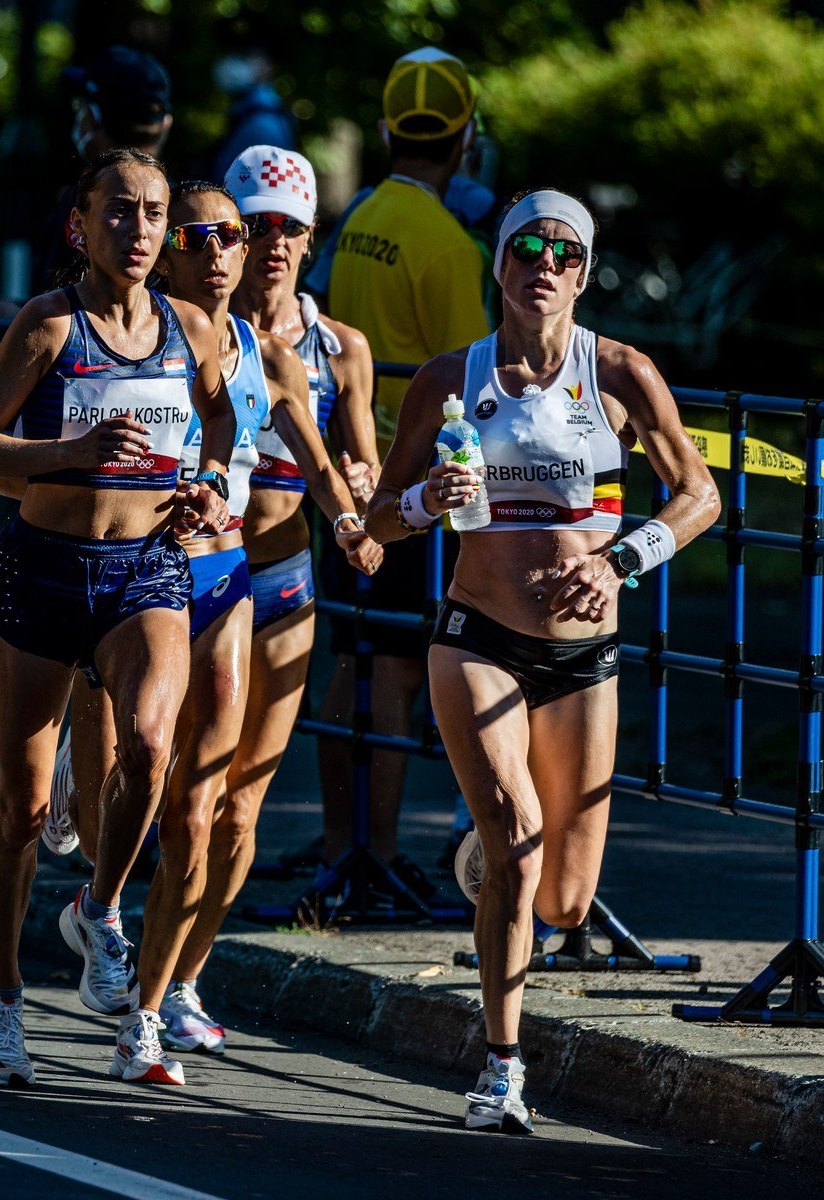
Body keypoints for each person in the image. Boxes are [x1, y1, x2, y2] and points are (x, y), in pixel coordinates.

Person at [365, 189, 719, 1132]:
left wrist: (622, 562)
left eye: (565, 253)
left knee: (564, 900)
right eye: (527, 248)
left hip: (582, 654)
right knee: (523, 843)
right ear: (500, 263)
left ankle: (481, 856)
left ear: (586, 272)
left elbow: (699, 494)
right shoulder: (451, 379)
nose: (545, 266)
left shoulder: (622, 373)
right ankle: (502, 1068)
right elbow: (372, 521)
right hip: (476, 635)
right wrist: (424, 504)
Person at [53, 181, 381, 1072]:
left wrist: (356, 524)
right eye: (203, 235)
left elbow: (322, 466)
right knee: (140, 775)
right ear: (171, 249)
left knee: (205, 811)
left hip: (234, 576)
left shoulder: (269, 355)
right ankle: (100, 893)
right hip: (135, 578)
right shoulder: (136, 336)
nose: (225, 251)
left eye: (235, 235)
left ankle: (149, 1012)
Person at [0, 149, 233, 1089]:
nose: (141, 231)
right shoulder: (46, 326)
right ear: (81, 224)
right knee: (25, 812)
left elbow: (222, 426)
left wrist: (210, 487)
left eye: (154, 215)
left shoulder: (190, 326)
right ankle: (2, 994)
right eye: (120, 213)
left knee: (152, 747)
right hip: (43, 572)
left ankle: (101, 910)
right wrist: (70, 450)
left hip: (146, 568)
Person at [157, 145, 385, 1047]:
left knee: (240, 802)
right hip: (185, 576)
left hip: (284, 583)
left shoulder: (339, 350)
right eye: (259, 227)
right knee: (173, 788)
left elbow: (358, 459)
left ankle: (181, 982)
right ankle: (122, 924)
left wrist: (365, 488)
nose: (276, 244)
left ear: (312, 238)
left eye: (293, 228)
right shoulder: (188, 328)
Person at [317, 45, 493, 898]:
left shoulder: (362, 217)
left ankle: (338, 844)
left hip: (349, 468)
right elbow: (475, 379)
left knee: (349, 657)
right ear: (466, 138)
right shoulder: (450, 245)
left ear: (389, 129)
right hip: (414, 483)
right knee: (391, 668)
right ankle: (379, 855)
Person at [29, 47, 174, 294]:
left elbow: (61, 303)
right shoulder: (180, 200)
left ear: (92, 117)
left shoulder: (87, 199)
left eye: (81, 105)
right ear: (165, 123)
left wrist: (13, 316)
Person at [208, 46, 299, 184]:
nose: (237, 63)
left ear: (268, 68)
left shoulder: (261, 125)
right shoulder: (251, 115)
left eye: (248, 57)